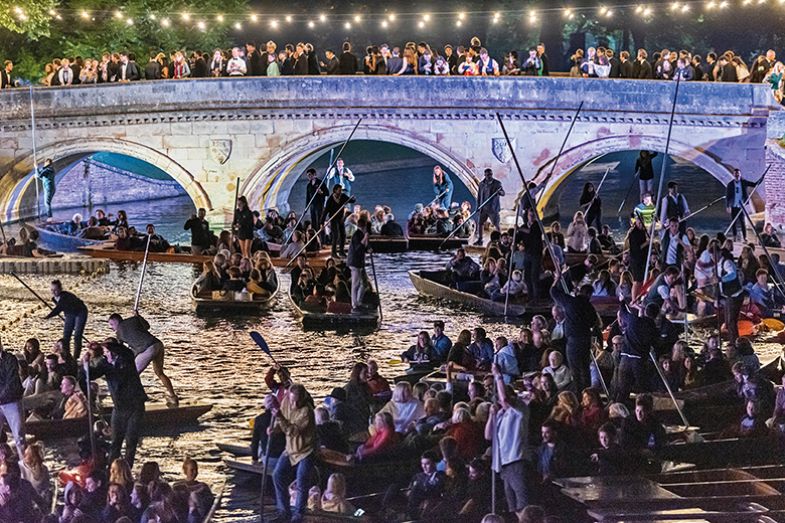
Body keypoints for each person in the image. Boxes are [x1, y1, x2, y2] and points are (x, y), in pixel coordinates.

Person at [82, 341, 146, 466]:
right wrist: (85, 364)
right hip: (119, 407)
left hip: (135, 406)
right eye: (105, 353)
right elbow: (91, 374)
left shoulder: (126, 359)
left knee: (131, 441)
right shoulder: (105, 364)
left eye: (108, 352)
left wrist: (102, 344)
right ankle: (111, 470)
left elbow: (124, 350)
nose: (107, 355)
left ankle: (127, 469)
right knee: (115, 441)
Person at [108, 312, 178, 407]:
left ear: (116, 322)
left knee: (132, 375)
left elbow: (120, 349)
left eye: (111, 324)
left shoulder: (119, 333)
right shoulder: (134, 319)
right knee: (159, 373)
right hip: (157, 344)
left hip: (147, 349)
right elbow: (147, 327)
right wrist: (139, 316)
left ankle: (133, 400)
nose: (111, 328)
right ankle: (173, 396)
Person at [486, 363, 529, 517]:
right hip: (503, 463)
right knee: (513, 506)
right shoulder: (501, 415)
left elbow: (504, 397)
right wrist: (492, 416)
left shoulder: (518, 412)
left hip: (516, 460)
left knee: (522, 502)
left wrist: (498, 376)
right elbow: (488, 436)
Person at [271, 383, 316, 523]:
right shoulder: (286, 401)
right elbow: (282, 423)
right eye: (292, 400)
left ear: (303, 398)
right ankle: (284, 510)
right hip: (290, 449)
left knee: (302, 480)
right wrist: (275, 429)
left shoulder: (307, 412)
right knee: (277, 475)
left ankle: (298, 513)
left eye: (297, 401)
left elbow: (293, 431)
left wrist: (280, 418)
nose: (294, 404)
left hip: (305, 450)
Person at [550, 277, 599, 393]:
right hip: (585, 340)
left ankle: (578, 394)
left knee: (575, 370)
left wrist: (556, 279)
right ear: (589, 295)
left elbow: (553, 291)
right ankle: (587, 393)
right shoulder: (590, 307)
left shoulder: (570, 301)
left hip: (573, 341)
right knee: (585, 369)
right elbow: (593, 322)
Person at [614, 303, 659, 402]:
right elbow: (656, 343)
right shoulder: (653, 328)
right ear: (656, 315)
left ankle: (618, 411)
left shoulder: (634, 320)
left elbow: (623, 312)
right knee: (643, 391)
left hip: (625, 360)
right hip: (639, 361)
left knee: (622, 391)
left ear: (645, 312)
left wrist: (622, 302)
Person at [44, 279, 88, 360]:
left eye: (56, 290)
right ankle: (67, 356)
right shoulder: (54, 298)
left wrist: (48, 316)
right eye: (52, 290)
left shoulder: (65, 296)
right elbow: (61, 308)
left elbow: (58, 309)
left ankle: (76, 357)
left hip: (80, 312)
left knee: (77, 335)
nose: (53, 292)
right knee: (66, 336)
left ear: (60, 289)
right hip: (69, 313)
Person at [0, 340, 25, 461]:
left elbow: (11, 381)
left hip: (11, 401)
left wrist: (1, 397)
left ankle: (25, 465)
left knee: (19, 436)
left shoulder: (9, 359)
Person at [323, 185, 355, 258]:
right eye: (339, 190)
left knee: (343, 235)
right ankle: (333, 252)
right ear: (335, 190)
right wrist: (322, 222)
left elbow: (350, 200)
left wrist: (353, 199)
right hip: (333, 219)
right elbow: (325, 211)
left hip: (340, 218)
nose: (340, 192)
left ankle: (341, 251)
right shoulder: (330, 199)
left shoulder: (343, 196)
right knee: (336, 235)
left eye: (341, 190)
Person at [475, 168, 505, 246]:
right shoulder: (481, 184)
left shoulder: (497, 183)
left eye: (491, 174)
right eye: (488, 175)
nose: (489, 176)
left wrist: (499, 192)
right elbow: (479, 196)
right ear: (485, 175)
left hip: (493, 208)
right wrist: (478, 207)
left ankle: (500, 240)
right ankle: (480, 239)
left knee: (496, 224)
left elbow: (503, 193)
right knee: (480, 223)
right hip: (483, 207)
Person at [725, 168, 756, 242]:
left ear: (740, 174)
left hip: (741, 206)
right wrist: (727, 206)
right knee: (733, 222)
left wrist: (760, 180)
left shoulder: (744, 182)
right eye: (736, 174)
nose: (737, 175)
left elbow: (753, 184)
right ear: (734, 175)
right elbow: (728, 196)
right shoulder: (730, 184)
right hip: (734, 205)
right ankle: (734, 236)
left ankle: (745, 237)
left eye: (738, 174)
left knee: (742, 222)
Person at [347, 215, 370, 311]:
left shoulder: (360, 235)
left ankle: (358, 302)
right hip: (355, 262)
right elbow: (357, 248)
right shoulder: (357, 235)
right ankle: (354, 304)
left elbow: (362, 248)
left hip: (359, 262)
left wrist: (368, 248)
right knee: (356, 284)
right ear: (364, 227)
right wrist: (365, 239)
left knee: (363, 284)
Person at [305, 168, 328, 234]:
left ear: (314, 174)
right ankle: (314, 236)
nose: (308, 177)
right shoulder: (309, 185)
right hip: (312, 206)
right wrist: (306, 207)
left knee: (319, 221)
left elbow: (327, 193)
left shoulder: (320, 183)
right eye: (308, 175)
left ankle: (321, 236)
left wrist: (321, 192)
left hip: (319, 205)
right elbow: (308, 197)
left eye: (310, 175)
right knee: (313, 221)